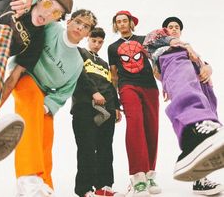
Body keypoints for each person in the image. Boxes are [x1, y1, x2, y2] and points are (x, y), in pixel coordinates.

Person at [0, 0, 73, 166]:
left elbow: (12, 79)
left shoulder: (37, 40)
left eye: (56, 14)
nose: (48, 14)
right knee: (3, 34)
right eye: (48, 5)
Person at [7, 8, 97, 196]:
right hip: (25, 75)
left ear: (88, 33)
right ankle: (28, 177)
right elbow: (35, 15)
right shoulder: (52, 28)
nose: (80, 27)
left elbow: (65, 92)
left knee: (47, 131)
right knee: (31, 116)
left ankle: (45, 185)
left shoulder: (78, 62)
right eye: (78, 22)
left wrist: (48, 105)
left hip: (45, 94)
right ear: (69, 21)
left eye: (85, 27)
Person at [142, 18, 224, 183]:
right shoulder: (162, 42)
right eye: (170, 27)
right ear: (165, 30)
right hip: (174, 60)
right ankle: (196, 129)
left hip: (200, 80)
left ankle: (197, 167)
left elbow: (204, 64)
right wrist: (181, 44)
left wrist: (208, 68)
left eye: (176, 27)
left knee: (209, 114)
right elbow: (149, 41)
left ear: (181, 31)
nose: (173, 29)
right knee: (192, 106)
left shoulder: (189, 48)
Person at [108, 10, 161, 197]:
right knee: (135, 125)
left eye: (124, 21)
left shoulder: (143, 40)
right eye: (118, 22)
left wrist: (166, 83)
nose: (121, 24)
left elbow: (156, 62)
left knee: (151, 128)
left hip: (149, 86)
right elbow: (113, 75)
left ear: (131, 23)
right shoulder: (112, 47)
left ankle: (150, 174)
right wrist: (115, 102)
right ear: (116, 25)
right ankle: (138, 177)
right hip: (127, 86)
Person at [71, 27, 123, 197]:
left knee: (105, 148)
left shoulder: (104, 63)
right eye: (94, 40)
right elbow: (79, 75)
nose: (97, 44)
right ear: (88, 39)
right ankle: (84, 189)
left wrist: (116, 106)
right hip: (85, 107)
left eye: (100, 42)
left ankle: (104, 186)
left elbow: (110, 85)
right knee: (87, 148)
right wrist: (94, 92)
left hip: (106, 110)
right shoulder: (79, 53)